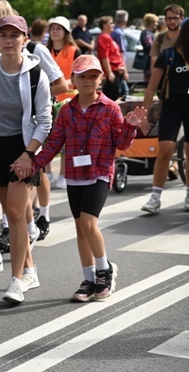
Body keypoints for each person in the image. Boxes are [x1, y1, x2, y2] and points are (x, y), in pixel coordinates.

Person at [23, 55, 145, 301]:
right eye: (82, 76)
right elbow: (54, 143)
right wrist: (33, 163)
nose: (88, 81)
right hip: (75, 175)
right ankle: (88, 280)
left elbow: (121, 143)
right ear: (73, 80)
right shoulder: (67, 110)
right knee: (80, 229)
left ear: (101, 78)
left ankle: (104, 270)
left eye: (93, 76)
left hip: (100, 172)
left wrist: (130, 126)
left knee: (89, 223)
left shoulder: (110, 108)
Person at [0, 15, 52, 303]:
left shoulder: (35, 74)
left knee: (15, 214)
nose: (7, 40)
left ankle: (16, 281)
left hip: (22, 147)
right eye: (3, 35)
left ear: (24, 40)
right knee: (13, 213)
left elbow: (44, 120)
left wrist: (29, 153)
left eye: (14, 35)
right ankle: (30, 270)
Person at [141, 18, 189, 213]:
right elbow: (151, 87)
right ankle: (155, 196)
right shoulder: (167, 56)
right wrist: (143, 115)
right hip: (171, 106)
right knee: (165, 150)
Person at [45, 16, 81, 192]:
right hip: (49, 100)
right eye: (52, 28)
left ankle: (63, 174)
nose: (55, 31)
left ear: (66, 32)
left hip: (69, 100)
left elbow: (79, 75)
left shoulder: (75, 51)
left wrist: (65, 83)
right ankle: (47, 173)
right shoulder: (45, 51)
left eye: (59, 28)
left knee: (66, 139)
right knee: (46, 137)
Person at [96, 16, 129, 100]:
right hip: (112, 71)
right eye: (110, 23)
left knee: (114, 95)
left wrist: (124, 70)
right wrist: (109, 72)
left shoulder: (108, 37)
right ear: (104, 25)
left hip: (117, 71)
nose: (113, 25)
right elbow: (104, 56)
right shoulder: (104, 37)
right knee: (110, 96)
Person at [140, 13, 158, 83]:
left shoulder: (150, 33)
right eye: (155, 22)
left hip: (151, 59)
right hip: (148, 61)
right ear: (151, 23)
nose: (156, 24)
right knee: (149, 82)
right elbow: (149, 46)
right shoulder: (146, 33)